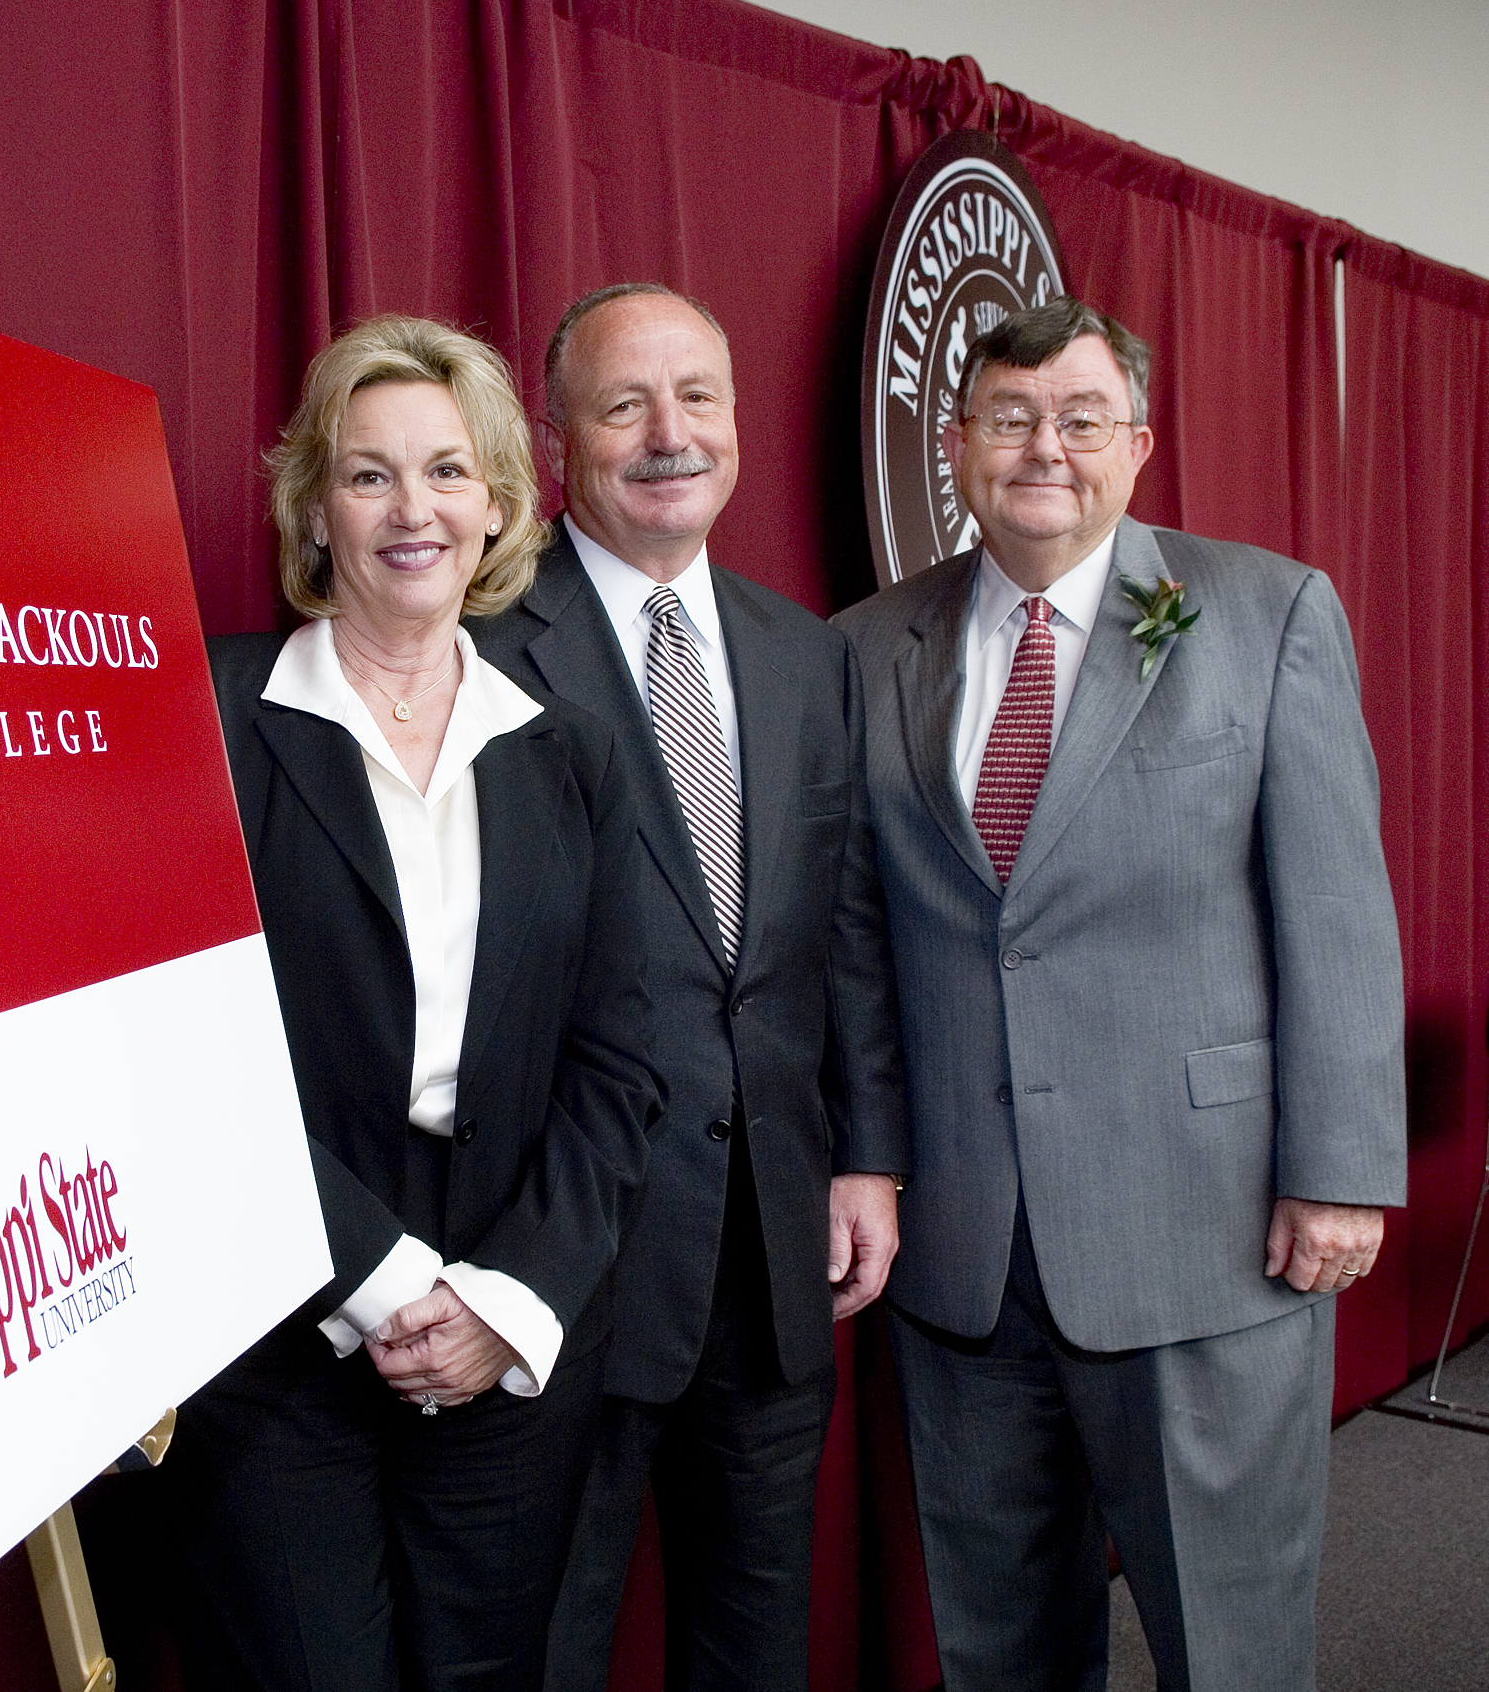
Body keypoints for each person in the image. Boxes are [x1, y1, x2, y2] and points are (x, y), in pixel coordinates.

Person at [832, 295, 1406, 1692]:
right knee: (1000, 1641)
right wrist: (867, 1155)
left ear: (1135, 444)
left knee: (1229, 1644)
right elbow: (853, 938)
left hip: (1205, 1229)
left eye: (1080, 418)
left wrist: (1338, 1170)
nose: (1045, 447)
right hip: (966, 1251)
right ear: (956, 445)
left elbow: (1333, 910)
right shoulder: (859, 649)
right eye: (1011, 418)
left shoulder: (1265, 611)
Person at [170, 314, 662, 1692]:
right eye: (368, 473)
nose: (412, 509)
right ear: (312, 506)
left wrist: (507, 1296)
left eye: (447, 472)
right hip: (276, 1311)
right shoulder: (210, 721)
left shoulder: (567, 751)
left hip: (510, 1301)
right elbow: (187, 1059)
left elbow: (620, 1059)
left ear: (497, 502)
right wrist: (382, 1280)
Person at [472, 284, 907, 1690]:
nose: (670, 434)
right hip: (562, 1256)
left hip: (777, 1255)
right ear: (556, 437)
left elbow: (843, 930)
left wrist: (866, 1160)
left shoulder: (806, 654)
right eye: (623, 404)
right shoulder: (475, 641)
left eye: (697, 398)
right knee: (544, 1643)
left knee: (750, 1643)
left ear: (735, 418)